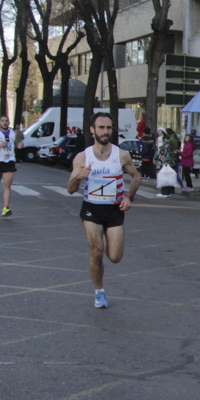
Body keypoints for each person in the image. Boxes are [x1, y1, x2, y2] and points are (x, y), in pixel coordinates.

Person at [66, 112, 141, 308]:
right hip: (92, 209)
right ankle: (99, 291)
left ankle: (108, 238)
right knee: (97, 252)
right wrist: (78, 177)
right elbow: (70, 189)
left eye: (108, 128)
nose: (105, 131)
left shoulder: (121, 155)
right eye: (101, 128)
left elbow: (136, 177)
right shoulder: (83, 157)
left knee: (115, 257)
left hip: (114, 210)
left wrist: (129, 197)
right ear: (92, 130)